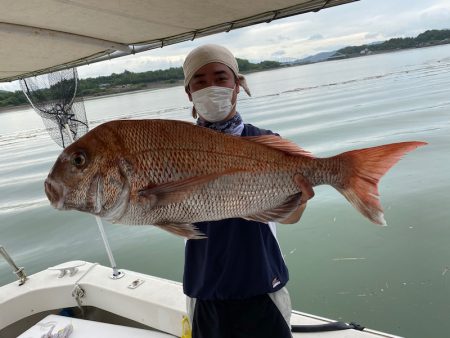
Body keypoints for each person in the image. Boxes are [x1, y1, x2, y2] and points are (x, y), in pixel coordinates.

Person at [182, 44, 310, 338]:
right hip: (204, 290)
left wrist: (299, 200)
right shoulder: (177, 147)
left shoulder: (265, 142)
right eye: (199, 81)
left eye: (220, 77)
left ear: (237, 85)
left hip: (262, 285)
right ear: (188, 92)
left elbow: (289, 218)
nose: (210, 86)